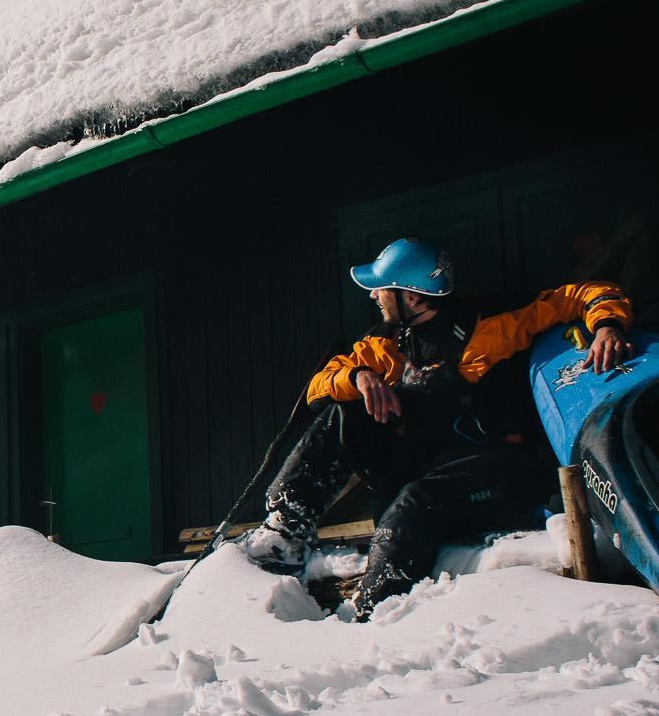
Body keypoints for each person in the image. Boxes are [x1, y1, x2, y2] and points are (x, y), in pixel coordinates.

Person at [241, 236, 634, 620]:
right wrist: (359, 376)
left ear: (413, 298)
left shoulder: (495, 320)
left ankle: (371, 617)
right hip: (428, 466)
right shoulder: (389, 342)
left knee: (415, 502)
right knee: (343, 414)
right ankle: (285, 534)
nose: (374, 295)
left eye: (382, 288)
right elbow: (319, 386)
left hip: (502, 472)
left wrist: (607, 326)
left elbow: (586, 294)